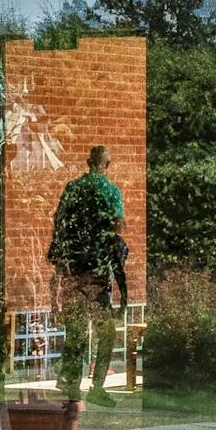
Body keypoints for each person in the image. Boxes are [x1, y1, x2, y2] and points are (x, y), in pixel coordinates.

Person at [48, 142, 131, 399]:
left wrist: (63, 255)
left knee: (76, 328)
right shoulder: (111, 191)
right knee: (106, 331)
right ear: (107, 164)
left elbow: (58, 219)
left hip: (74, 268)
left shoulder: (73, 188)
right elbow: (119, 226)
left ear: (88, 162)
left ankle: (69, 381)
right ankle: (97, 386)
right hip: (97, 270)